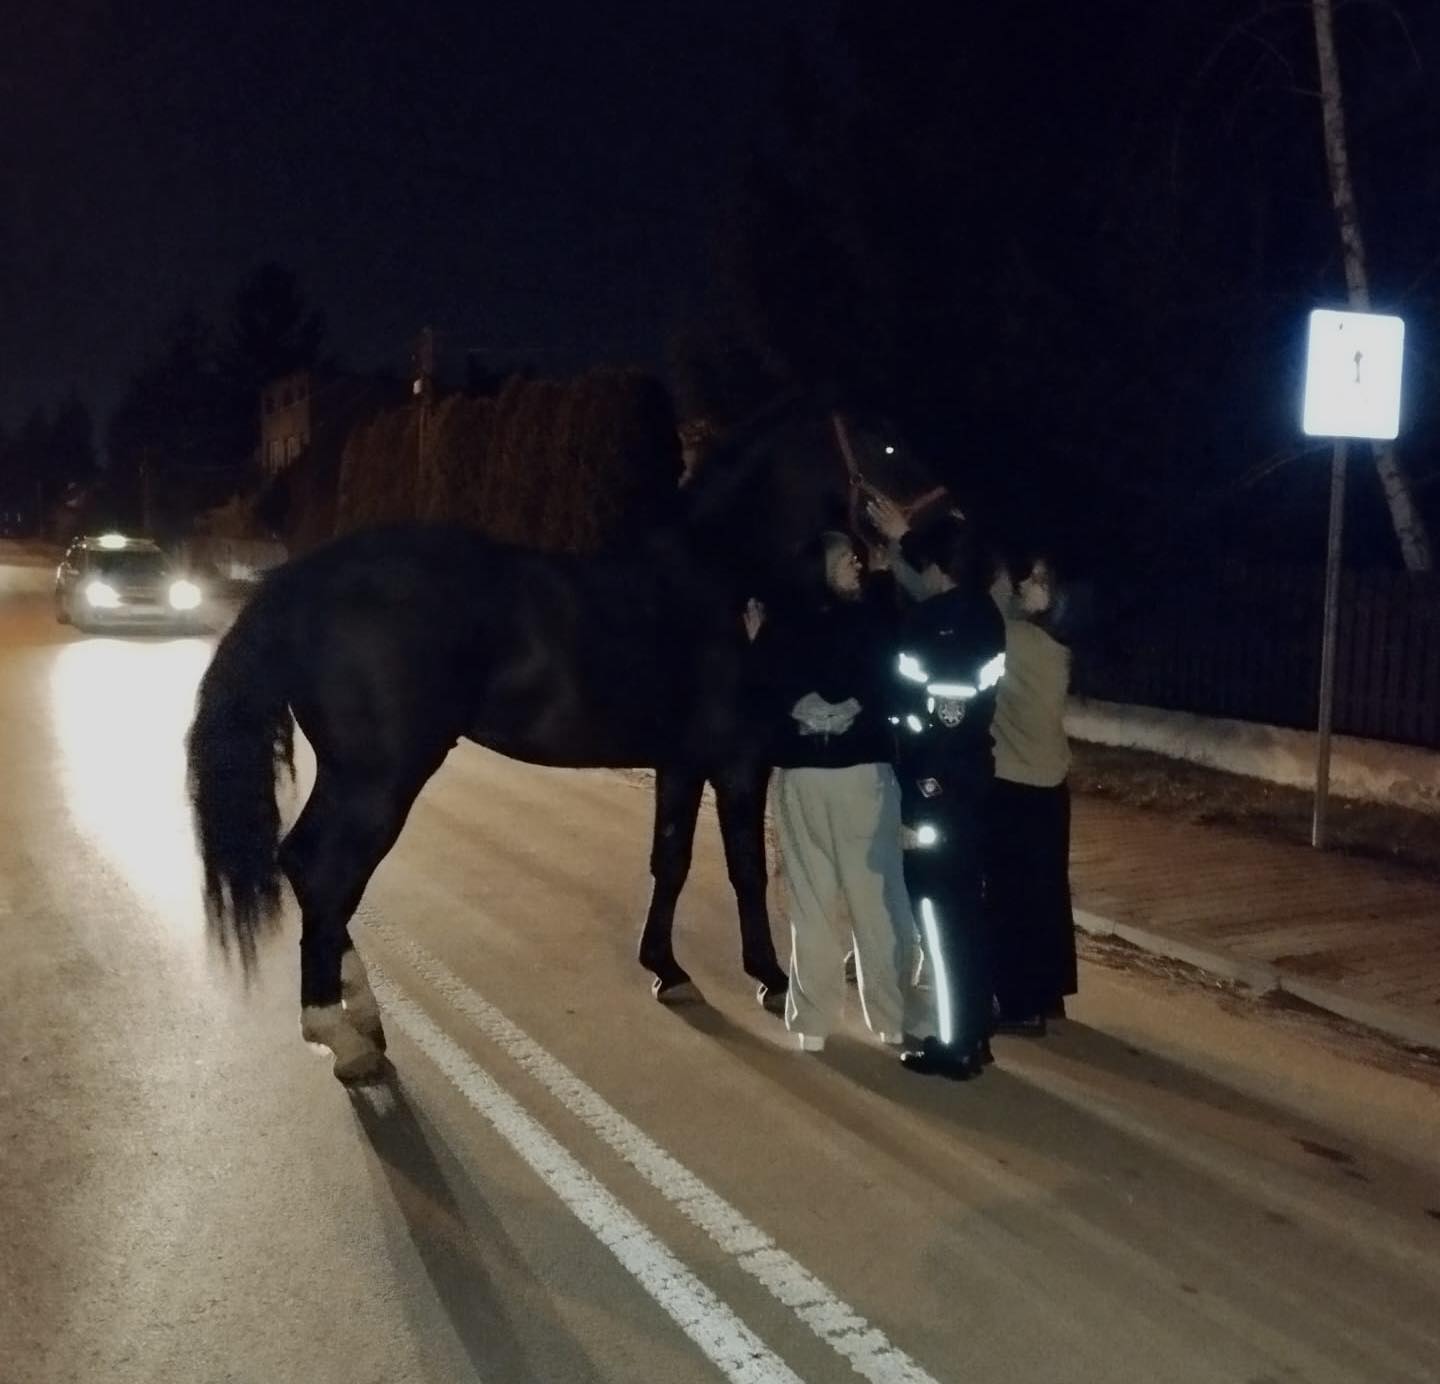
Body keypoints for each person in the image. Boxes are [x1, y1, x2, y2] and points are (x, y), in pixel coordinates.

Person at [760, 531, 916, 1053]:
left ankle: (813, 1022)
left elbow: (757, 688)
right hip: (860, 778)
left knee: (814, 901)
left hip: (807, 776)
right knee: (873, 903)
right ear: (819, 567)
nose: (856, 563)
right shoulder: (870, 619)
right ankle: (888, 1019)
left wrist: (798, 706)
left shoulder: (782, 624)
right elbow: (895, 683)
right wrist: (856, 707)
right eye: (845, 557)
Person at [870, 500, 1006, 1080]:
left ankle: (954, 1045)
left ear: (938, 567)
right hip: (972, 776)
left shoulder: (937, 624)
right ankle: (975, 1030)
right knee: (966, 913)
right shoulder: (984, 615)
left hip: (939, 784)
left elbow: (930, 715)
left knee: (940, 914)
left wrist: (921, 790)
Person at [985, 550, 1080, 1033]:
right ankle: (1049, 993)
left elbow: (955, 608)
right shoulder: (1057, 643)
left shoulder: (1014, 638)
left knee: (1011, 897)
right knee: (1047, 892)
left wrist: (902, 549)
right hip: (1052, 785)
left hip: (1014, 783)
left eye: (1037, 580)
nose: (1024, 586)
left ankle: (1018, 1005)